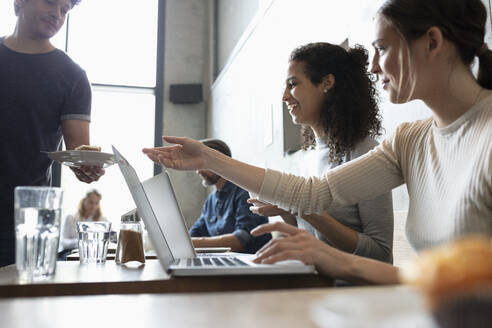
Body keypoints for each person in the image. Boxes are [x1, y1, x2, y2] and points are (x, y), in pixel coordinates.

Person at [143, 0, 492, 285]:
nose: (372, 67)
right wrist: (207, 158)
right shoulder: (409, 139)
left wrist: (337, 260)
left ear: (432, 42)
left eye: (381, 49)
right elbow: (312, 193)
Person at [248, 42, 393, 263]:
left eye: (293, 84)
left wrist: (300, 204)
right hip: (315, 282)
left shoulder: (365, 152)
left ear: (327, 83)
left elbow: (380, 254)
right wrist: (287, 210)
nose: (284, 96)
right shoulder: (309, 157)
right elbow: (310, 239)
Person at [0, 0, 104, 267]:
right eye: (50, 3)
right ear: (19, 2)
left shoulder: (72, 76)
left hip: (24, 221)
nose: (57, 14)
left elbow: (78, 152)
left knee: (20, 307)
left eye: (64, 10)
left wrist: (87, 166)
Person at [189, 139, 271, 254]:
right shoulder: (210, 201)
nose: (198, 171)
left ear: (220, 162)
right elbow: (194, 233)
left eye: (201, 164)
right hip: (226, 263)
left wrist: (191, 243)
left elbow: (241, 240)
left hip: (252, 265)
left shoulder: (244, 192)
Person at [59, 189, 105, 255]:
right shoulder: (70, 218)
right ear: (84, 201)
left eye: (96, 203)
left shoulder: (103, 220)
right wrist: (81, 242)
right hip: (71, 253)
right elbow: (63, 242)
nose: (93, 206)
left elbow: (111, 239)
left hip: (93, 254)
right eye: (91, 202)